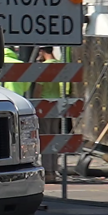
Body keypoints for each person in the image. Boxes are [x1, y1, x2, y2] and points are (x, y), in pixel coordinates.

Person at [35, 46, 62, 183]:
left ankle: (47, 172)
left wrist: (35, 104)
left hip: (45, 105)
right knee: (54, 140)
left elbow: (39, 89)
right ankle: (53, 170)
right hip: (57, 105)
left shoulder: (44, 68)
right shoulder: (59, 65)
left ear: (42, 51)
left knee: (46, 139)